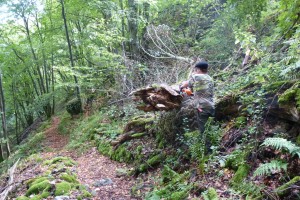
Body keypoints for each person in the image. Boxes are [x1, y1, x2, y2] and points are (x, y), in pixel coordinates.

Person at [180, 61, 215, 134]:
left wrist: (181, 87)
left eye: (195, 70)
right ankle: (214, 143)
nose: (195, 72)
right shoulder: (210, 78)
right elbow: (203, 92)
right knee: (210, 128)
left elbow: (184, 85)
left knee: (204, 131)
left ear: (198, 69)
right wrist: (190, 93)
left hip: (202, 107)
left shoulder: (196, 77)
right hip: (211, 106)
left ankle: (206, 144)